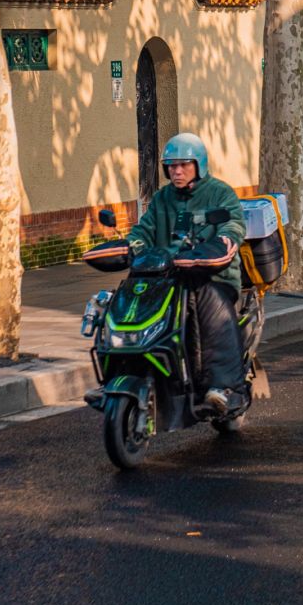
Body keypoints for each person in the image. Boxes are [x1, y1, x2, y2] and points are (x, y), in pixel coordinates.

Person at [127, 132, 247, 414]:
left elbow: (233, 226)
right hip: (167, 277)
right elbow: (143, 230)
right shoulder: (162, 198)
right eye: (171, 166)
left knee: (207, 305)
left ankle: (224, 387)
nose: (176, 171)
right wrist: (135, 246)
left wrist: (218, 245)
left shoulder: (220, 193)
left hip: (213, 276)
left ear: (199, 165)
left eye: (183, 164)